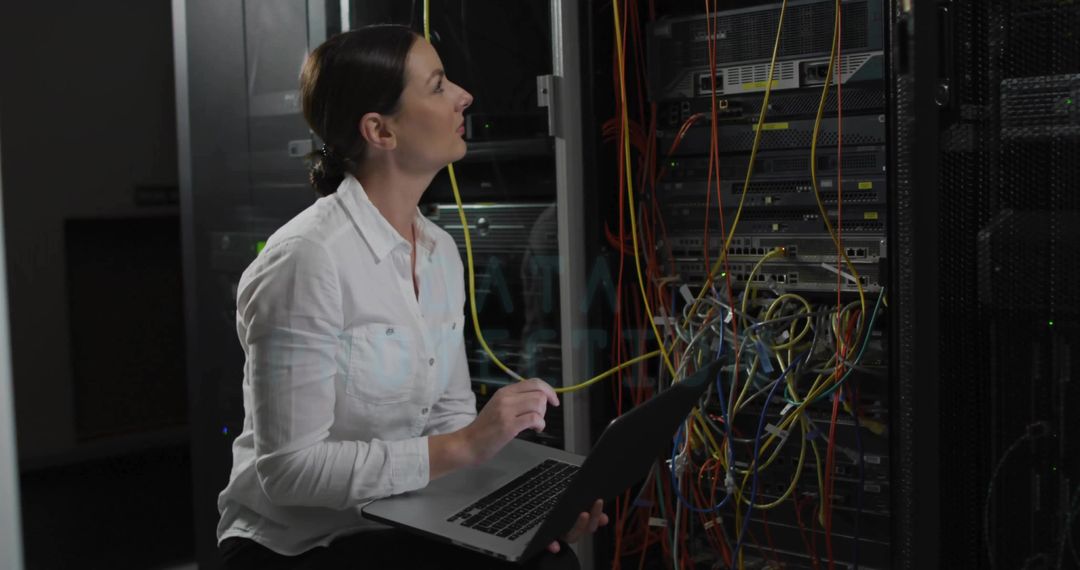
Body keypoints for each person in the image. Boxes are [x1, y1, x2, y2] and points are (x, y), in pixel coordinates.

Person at [214, 24, 608, 570]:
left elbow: (449, 417)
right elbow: (288, 473)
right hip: (298, 544)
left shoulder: (439, 250)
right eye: (438, 85)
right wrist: (466, 445)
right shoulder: (307, 260)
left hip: (403, 516)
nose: (464, 96)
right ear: (380, 130)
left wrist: (533, 510)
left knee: (550, 558)